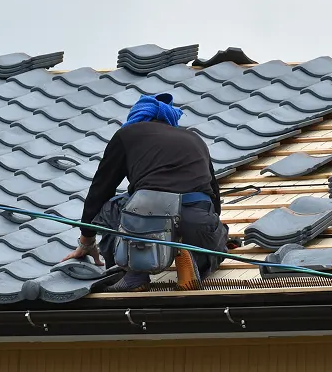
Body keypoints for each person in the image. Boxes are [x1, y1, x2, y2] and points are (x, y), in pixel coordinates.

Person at [61, 92, 228, 292]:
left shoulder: (128, 134)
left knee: (113, 207)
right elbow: (215, 201)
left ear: (138, 117)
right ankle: (192, 259)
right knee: (216, 245)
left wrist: (87, 240)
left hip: (147, 221)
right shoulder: (194, 138)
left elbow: (100, 190)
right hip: (197, 219)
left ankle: (134, 274)